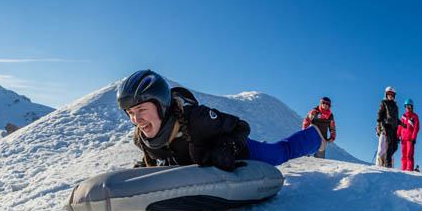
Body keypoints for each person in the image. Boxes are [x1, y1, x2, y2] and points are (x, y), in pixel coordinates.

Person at [117, 70, 325, 170]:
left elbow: (240, 126)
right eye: (130, 112)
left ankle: (315, 137)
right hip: (205, 158)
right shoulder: (142, 138)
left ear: (161, 105)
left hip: (237, 148)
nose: (136, 119)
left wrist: (227, 148)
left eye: (142, 109)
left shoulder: (197, 119)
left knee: (279, 153)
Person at [376, 86, 399, 168]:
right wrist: (379, 124)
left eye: (392, 94)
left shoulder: (395, 106)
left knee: (395, 146)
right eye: (389, 94)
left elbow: (395, 118)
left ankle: (383, 158)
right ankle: (388, 164)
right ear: (386, 94)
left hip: (394, 127)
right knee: (389, 145)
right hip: (386, 125)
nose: (391, 95)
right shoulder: (384, 103)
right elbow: (380, 114)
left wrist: (402, 124)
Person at [397, 98, 420, 171]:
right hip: (403, 138)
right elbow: (400, 127)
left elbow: (416, 128)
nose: (408, 108)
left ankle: (409, 170)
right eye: (406, 106)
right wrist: (397, 136)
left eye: (409, 106)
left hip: (410, 139)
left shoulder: (414, 116)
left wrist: (414, 138)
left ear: (412, 107)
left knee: (409, 155)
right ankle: (403, 169)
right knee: (403, 155)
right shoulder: (403, 116)